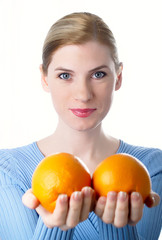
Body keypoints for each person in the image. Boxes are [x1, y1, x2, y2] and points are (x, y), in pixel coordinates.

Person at [0, 12, 161, 240]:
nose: (83, 94)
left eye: (98, 74)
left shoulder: (152, 168)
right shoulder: (7, 171)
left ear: (118, 77)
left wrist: (118, 226)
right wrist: (55, 229)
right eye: (65, 75)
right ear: (45, 78)